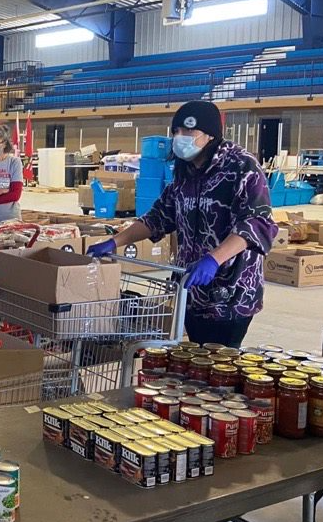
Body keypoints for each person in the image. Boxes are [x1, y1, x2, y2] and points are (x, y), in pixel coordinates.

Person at [88, 101, 277, 348]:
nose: (180, 138)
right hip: (190, 288)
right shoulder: (184, 170)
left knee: (219, 365)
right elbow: (159, 216)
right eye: (176, 132)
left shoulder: (241, 166)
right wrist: (115, 241)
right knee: (194, 362)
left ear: (210, 135)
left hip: (231, 293)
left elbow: (257, 223)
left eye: (188, 132)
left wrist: (214, 259)